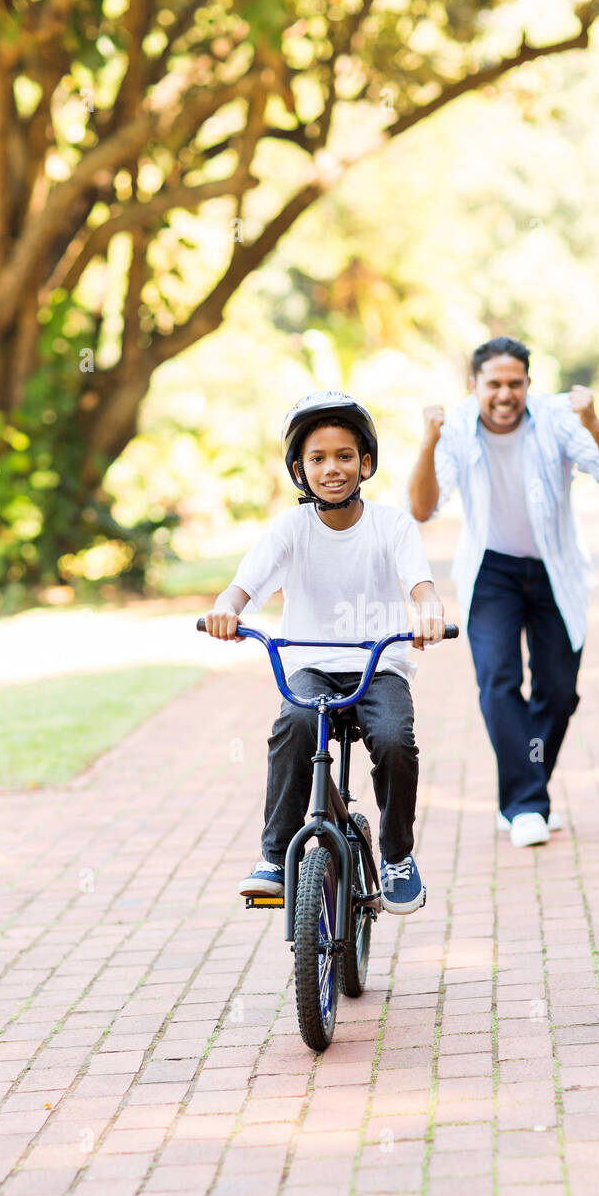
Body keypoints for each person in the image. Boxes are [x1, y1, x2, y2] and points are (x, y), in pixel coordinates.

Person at [204, 390, 445, 913]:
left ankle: (397, 855)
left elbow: (421, 585)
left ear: (365, 464)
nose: (331, 468)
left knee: (394, 740)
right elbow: (243, 585)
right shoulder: (291, 529)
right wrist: (227, 608)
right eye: (317, 458)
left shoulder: (392, 525)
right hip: (311, 667)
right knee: (292, 724)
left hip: (379, 667)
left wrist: (429, 610)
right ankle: (274, 857)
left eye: (343, 456)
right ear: (299, 468)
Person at [407, 336, 599, 848]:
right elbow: (422, 509)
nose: (505, 394)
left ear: (529, 384)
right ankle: (527, 805)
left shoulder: (559, 418)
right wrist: (427, 443)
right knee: (499, 681)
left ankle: (522, 790)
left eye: (515, 383)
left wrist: (595, 424)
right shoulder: (455, 429)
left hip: (554, 569)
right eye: (494, 384)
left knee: (558, 692)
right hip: (491, 573)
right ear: (475, 386)